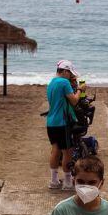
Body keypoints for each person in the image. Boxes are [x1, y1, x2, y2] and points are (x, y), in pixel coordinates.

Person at [46, 59, 80, 191]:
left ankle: (54, 181)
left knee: (55, 150)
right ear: (65, 71)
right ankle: (67, 183)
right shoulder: (64, 82)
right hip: (63, 123)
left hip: (51, 122)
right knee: (67, 152)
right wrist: (79, 90)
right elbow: (74, 101)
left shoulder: (52, 82)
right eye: (69, 73)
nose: (70, 75)